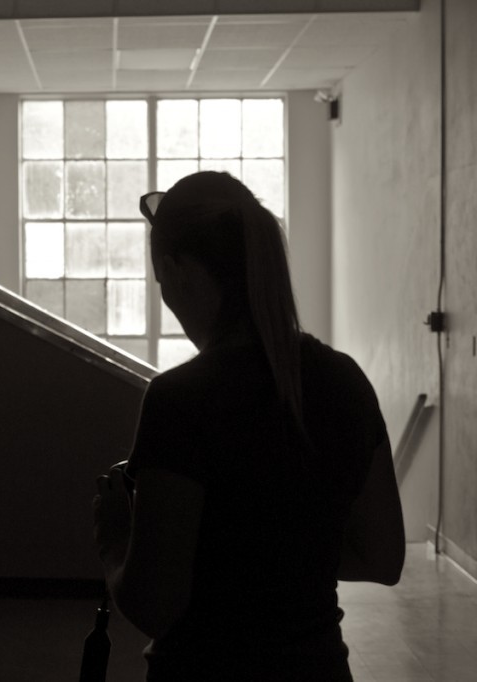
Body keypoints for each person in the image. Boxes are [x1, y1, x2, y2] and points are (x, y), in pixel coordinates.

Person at [92, 171, 405, 681]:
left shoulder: (178, 399)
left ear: (176, 270)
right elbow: (383, 558)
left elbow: (154, 608)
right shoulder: (344, 381)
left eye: (161, 283)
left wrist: (115, 539)